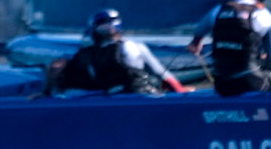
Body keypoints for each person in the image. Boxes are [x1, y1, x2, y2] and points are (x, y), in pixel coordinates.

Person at [188, 0, 271, 96]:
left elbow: (198, 35)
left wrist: (197, 42)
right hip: (249, 83)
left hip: (221, 85)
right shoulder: (265, 16)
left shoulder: (218, 10)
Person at [52, 9, 189, 95]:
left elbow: (60, 74)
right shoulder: (134, 47)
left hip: (107, 98)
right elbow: (161, 73)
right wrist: (181, 90)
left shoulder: (85, 54)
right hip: (138, 97)